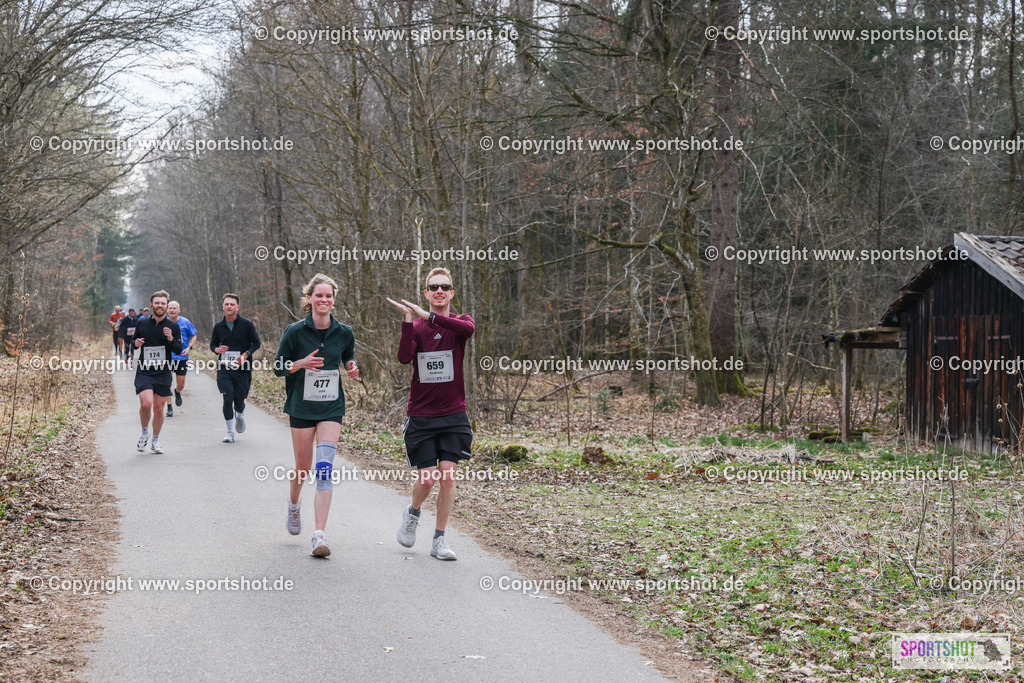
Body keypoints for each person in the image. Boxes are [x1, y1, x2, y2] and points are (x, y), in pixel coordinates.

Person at [387, 267, 474, 561]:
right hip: (422, 415)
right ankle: (412, 513)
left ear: (451, 293)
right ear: (426, 293)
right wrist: (408, 321)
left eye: (444, 287)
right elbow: (403, 358)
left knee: (447, 477)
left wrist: (429, 316)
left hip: (454, 414)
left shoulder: (461, 323)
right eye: (434, 287)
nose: (439, 291)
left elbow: (468, 331)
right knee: (427, 480)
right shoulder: (417, 327)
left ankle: (439, 539)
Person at [273, 273, 358, 557]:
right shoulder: (295, 331)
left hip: (331, 407)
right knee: (303, 467)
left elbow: (348, 355)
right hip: (301, 407)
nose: (324, 300)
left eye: (328, 296)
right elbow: (278, 367)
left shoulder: (344, 331)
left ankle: (319, 535)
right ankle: (293, 505)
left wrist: (351, 365)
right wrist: (300, 363)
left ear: (334, 300)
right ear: (309, 298)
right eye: (318, 295)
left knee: (324, 468)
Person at [131, 291, 181, 454]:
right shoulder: (142, 323)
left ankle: (155, 440)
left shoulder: (173, 326)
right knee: (146, 403)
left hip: (163, 371)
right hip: (145, 370)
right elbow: (133, 342)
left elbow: (178, 349)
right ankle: (144, 433)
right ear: (151, 305)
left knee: (159, 409)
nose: (160, 306)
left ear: (166, 306)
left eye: (163, 303)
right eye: (157, 303)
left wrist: (170, 339)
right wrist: (136, 343)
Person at [210, 293, 261, 442]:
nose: (229, 306)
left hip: (242, 369)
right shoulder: (218, 326)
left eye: (232, 304)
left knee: (239, 400)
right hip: (225, 368)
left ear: (237, 307)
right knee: (228, 397)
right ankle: (230, 432)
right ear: (223, 307)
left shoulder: (246, 324)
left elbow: (256, 343)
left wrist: (246, 354)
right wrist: (217, 350)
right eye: (226, 304)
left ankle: (239, 414)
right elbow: (213, 344)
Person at [166, 301, 197, 417]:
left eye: (174, 308)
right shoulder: (164, 323)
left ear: (178, 310)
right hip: (168, 357)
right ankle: (169, 407)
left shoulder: (185, 322)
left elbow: (194, 336)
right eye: (170, 308)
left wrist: (189, 347)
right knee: (167, 382)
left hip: (182, 357)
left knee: (181, 384)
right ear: (167, 310)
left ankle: (177, 391)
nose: (172, 310)